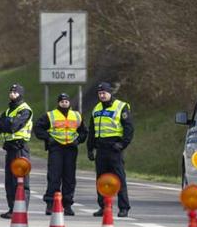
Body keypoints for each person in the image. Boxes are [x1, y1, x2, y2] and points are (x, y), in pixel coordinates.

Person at [34, 93, 88, 216]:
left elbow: (84, 131)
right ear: (58, 103)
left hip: (71, 149)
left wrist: (78, 141)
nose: (64, 103)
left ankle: (67, 205)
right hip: (56, 148)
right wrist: (48, 139)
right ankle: (50, 204)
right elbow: (38, 128)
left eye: (66, 101)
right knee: (54, 177)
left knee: (69, 178)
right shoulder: (50, 115)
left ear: (69, 102)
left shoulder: (77, 115)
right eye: (62, 101)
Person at [88, 82, 134, 217]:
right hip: (101, 148)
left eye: (104, 93)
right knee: (102, 180)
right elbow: (92, 130)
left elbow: (129, 128)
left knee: (119, 179)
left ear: (110, 93)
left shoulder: (121, 106)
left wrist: (122, 144)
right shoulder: (96, 109)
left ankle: (124, 208)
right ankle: (103, 206)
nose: (102, 95)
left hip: (114, 148)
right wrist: (90, 148)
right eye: (100, 93)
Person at [0, 83, 33, 219]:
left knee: (21, 180)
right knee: (9, 181)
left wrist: (7, 122)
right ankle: (12, 208)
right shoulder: (8, 110)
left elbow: (14, 126)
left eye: (15, 92)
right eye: (11, 92)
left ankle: (21, 210)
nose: (12, 94)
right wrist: (7, 122)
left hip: (20, 148)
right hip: (10, 148)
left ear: (20, 94)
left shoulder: (25, 110)